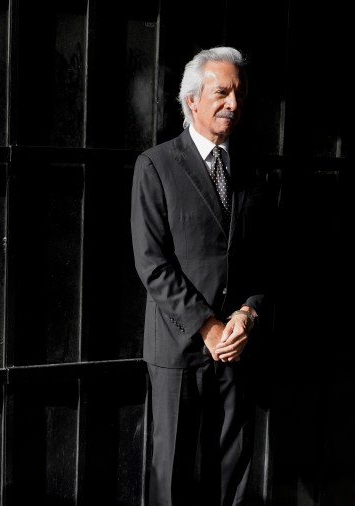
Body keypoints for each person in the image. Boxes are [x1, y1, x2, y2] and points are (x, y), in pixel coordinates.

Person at [130, 46, 274, 506]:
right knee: (169, 473)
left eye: (238, 93)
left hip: (236, 345)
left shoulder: (254, 171)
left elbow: (263, 261)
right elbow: (152, 262)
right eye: (221, 92)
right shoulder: (155, 165)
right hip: (178, 347)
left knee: (230, 468)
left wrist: (249, 313)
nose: (233, 102)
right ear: (192, 100)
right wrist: (207, 326)